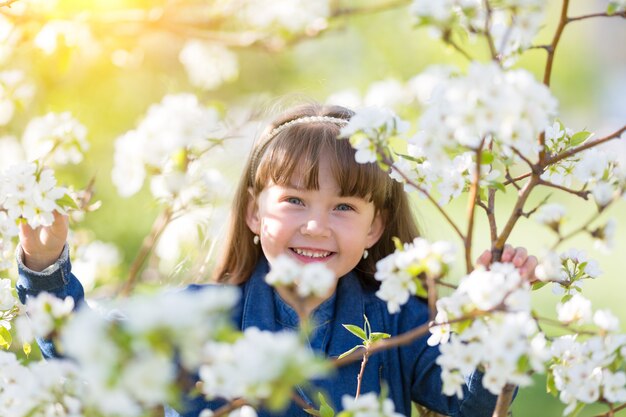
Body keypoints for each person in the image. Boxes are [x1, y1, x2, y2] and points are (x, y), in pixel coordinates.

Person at [16, 103, 537, 417]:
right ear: (252, 213)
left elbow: (469, 404)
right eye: (294, 200)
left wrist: (494, 318)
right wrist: (45, 271)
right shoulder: (204, 316)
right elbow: (92, 352)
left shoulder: (398, 322)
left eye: (343, 207)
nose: (316, 225)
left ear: (375, 226)